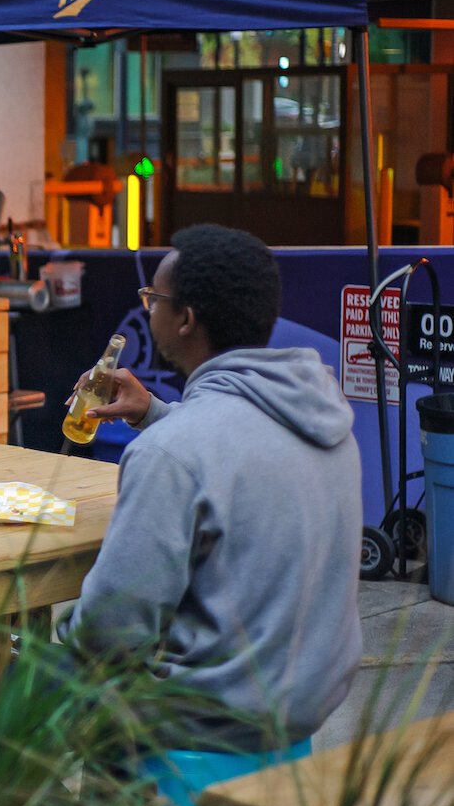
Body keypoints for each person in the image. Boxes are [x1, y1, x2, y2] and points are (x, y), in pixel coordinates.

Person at [57, 224, 361, 752]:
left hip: (194, 727)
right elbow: (236, 445)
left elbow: (112, 629)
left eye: (153, 298)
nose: (147, 309)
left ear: (185, 319)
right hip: (293, 715)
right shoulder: (324, 418)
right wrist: (154, 411)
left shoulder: (170, 454)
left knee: (20, 687)